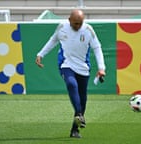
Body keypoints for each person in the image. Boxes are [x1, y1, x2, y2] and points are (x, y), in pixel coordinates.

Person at [35, 9, 106, 138]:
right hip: (66, 64)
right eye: (75, 23)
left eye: (80, 23)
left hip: (83, 67)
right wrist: (41, 54)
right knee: (71, 84)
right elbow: (53, 40)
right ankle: (79, 114)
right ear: (69, 20)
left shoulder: (88, 30)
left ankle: (75, 130)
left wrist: (101, 68)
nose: (78, 26)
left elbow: (97, 48)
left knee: (82, 99)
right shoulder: (62, 27)